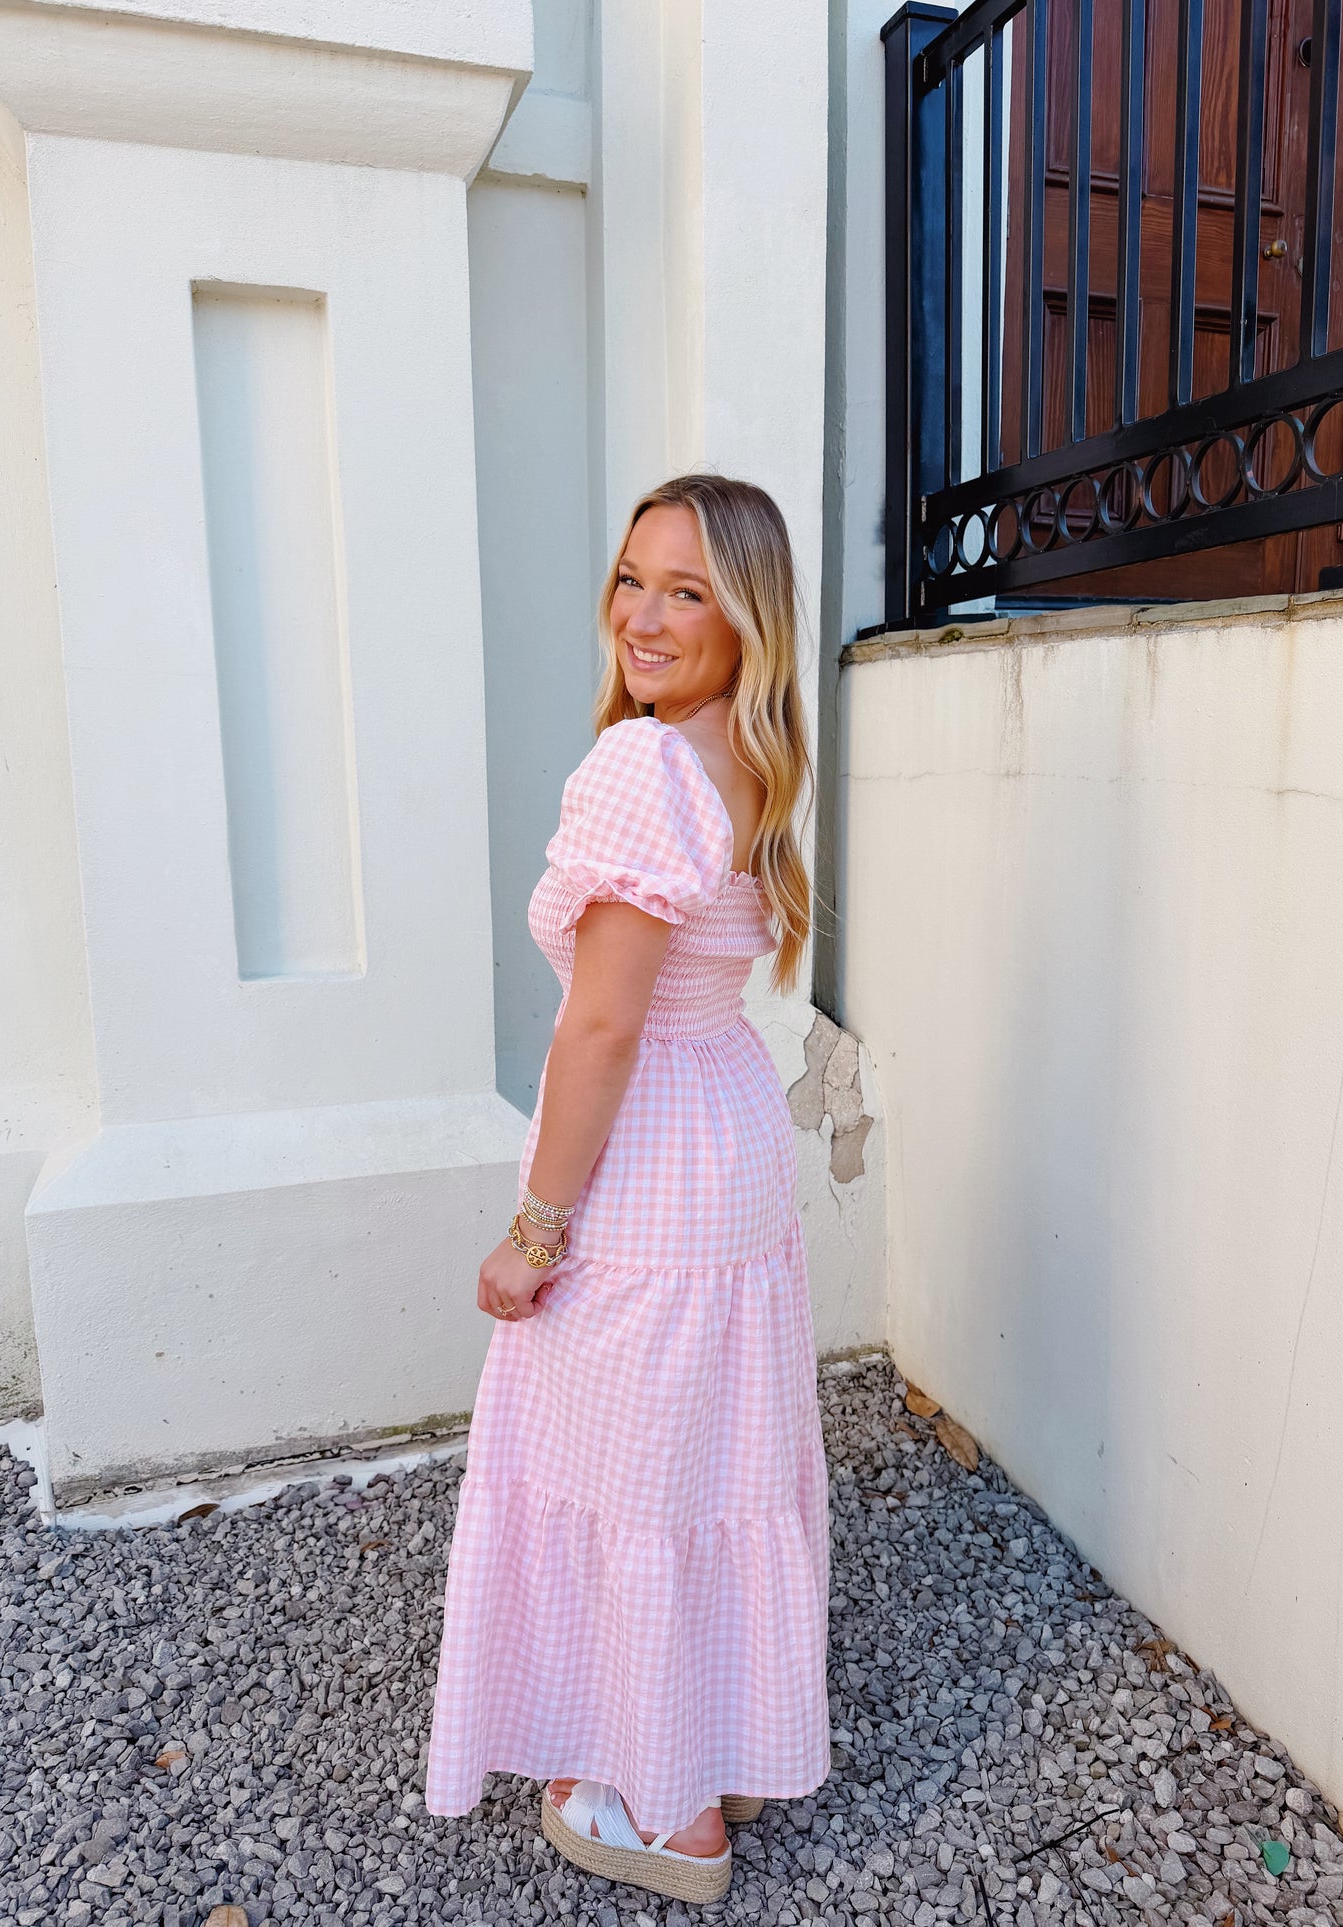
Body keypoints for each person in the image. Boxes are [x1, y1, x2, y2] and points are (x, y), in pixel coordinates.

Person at [424, 474, 830, 1905]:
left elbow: (598, 1026)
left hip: (649, 1160)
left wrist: (533, 1231)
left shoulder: (640, 769)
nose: (642, 617)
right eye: (630, 578)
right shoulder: (745, 758)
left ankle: (667, 1813)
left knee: (627, 1478)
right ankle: (693, 1746)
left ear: (747, 617)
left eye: (688, 590)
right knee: (704, 1465)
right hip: (725, 1137)